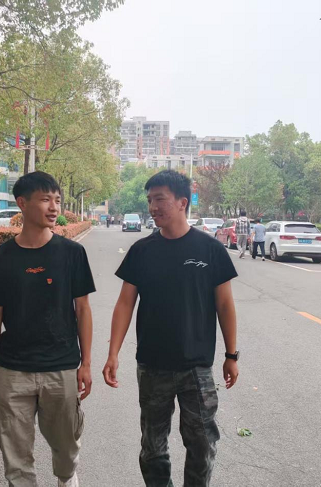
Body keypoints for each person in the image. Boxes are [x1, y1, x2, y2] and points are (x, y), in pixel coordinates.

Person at [103, 170, 239, 487]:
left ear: (182, 202)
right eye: (150, 200)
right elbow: (125, 304)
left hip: (197, 367)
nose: (153, 207)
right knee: (153, 448)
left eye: (160, 199)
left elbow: (225, 305)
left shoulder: (210, 249)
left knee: (202, 444)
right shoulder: (142, 251)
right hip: (153, 366)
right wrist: (113, 353)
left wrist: (231, 355)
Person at [0, 171, 95, 487]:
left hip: (61, 367)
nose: (54, 207)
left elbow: (83, 310)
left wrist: (85, 363)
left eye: (57, 200)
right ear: (22, 203)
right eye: (45, 200)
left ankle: (66, 478)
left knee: (66, 445)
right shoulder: (0, 259)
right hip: (12, 369)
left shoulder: (72, 253)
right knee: (15, 454)